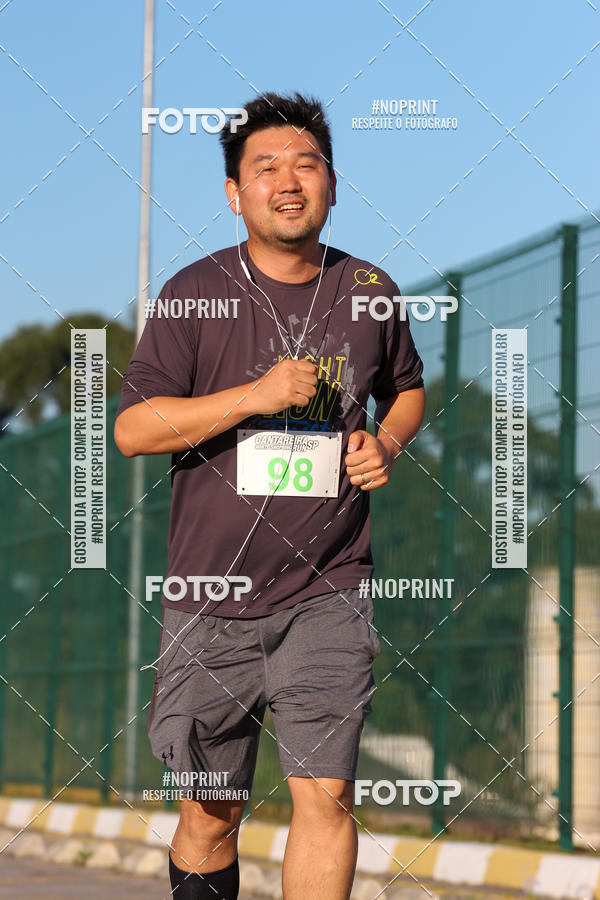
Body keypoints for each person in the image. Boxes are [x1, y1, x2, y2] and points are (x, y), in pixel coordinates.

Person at [114, 91, 425, 900]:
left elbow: (407, 389)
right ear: (235, 193)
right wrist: (254, 396)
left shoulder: (370, 289)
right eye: (266, 168)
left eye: (307, 165)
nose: (289, 181)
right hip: (211, 596)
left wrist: (386, 442)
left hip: (329, 586)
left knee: (327, 796)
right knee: (211, 814)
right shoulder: (194, 293)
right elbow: (134, 430)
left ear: (332, 184)